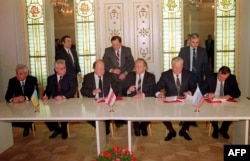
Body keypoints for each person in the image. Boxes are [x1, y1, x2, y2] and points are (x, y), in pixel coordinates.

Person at [155, 57, 196, 141]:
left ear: (182, 66)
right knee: (162, 113)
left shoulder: (189, 74)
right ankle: (171, 130)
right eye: (175, 67)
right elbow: (156, 88)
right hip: (170, 101)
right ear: (171, 66)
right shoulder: (165, 75)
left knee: (192, 113)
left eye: (179, 67)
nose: (177, 69)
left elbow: (194, 88)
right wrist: (159, 94)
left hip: (185, 101)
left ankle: (184, 130)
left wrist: (189, 92)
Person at [103, 35, 134, 127]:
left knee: (124, 98)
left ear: (120, 43)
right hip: (113, 78)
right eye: (113, 45)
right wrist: (112, 70)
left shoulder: (127, 50)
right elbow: (105, 63)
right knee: (115, 98)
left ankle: (125, 117)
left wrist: (125, 73)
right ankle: (117, 120)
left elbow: (131, 63)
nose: (115, 47)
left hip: (124, 77)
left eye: (117, 44)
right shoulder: (107, 50)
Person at [80, 59, 119, 135]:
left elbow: (116, 89)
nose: (102, 71)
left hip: (106, 102)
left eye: (103, 69)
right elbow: (83, 91)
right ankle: (101, 127)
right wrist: (93, 92)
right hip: (94, 102)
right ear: (94, 69)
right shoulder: (88, 77)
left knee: (108, 112)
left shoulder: (109, 76)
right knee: (85, 115)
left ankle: (104, 128)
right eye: (100, 69)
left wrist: (111, 95)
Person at [202, 66, 241, 139]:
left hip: (225, 101)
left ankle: (224, 129)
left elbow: (237, 92)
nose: (222, 80)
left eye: (225, 78)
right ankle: (215, 128)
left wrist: (229, 95)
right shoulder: (210, 77)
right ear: (218, 73)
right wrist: (207, 94)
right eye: (221, 77)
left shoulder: (232, 78)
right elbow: (202, 90)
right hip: (213, 101)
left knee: (232, 112)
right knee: (212, 111)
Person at [42, 59, 77, 140]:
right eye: (61, 68)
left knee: (64, 112)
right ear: (56, 69)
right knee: (45, 115)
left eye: (64, 68)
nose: (64, 70)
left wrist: (63, 97)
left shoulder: (70, 77)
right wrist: (45, 95)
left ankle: (63, 129)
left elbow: (72, 90)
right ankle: (57, 129)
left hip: (67, 101)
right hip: (55, 101)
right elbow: (48, 89)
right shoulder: (51, 78)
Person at [122, 58, 156, 136]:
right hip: (132, 101)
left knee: (151, 109)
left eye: (139, 66)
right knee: (131, 109)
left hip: (145, 100)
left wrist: (142, 95)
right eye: (135, 66)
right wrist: (128, 90)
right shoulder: (130, 75)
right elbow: (122, 90)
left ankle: (143, 126)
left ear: (145, 68)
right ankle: (136, 126)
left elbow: (152, 91)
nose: (136, 68)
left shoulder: (150, 76)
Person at [5, 64, 38, 137]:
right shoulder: (12, 81)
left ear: (26, 74)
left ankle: (26, 126)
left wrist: (25, 98)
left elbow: (35, 94)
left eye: (21, 74)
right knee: (8, 120)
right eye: (17, 73)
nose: (18, 76)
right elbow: (7, 96)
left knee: (28, 113)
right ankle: (27, 124)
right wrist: (13, 99)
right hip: (18, 106)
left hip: (30, 104)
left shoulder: (32, 80)